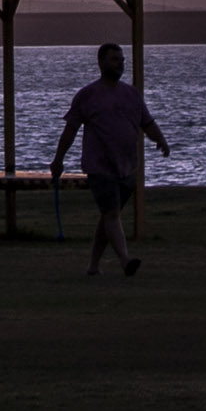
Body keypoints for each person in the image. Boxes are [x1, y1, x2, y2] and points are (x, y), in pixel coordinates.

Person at [51, 41, 168, 277]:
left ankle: (93, 266)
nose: (120, 64)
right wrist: (58, 159)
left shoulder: (131, 94)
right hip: (100, 167)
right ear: (101, 62)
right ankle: (125, 261)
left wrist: (161, 140)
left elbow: (147, 122)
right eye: (115, 60)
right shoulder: (87, 95)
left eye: (122, 60)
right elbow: (70, 130)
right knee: (112, 213)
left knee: (109, 215)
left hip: (127, 166)